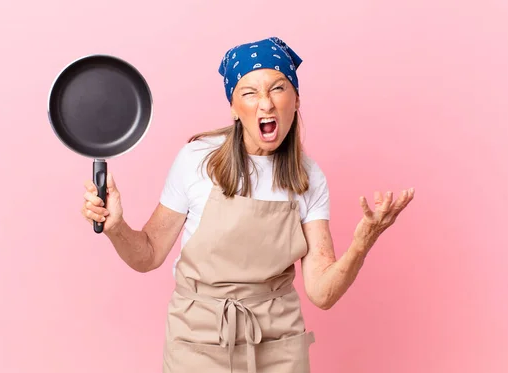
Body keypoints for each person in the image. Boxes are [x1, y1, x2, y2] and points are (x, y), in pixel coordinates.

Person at [80, 36, 414, 373]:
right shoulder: (197, 159)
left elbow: (322, 294)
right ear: (233, 107)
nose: (265, 104)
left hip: (279, 342)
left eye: (278, 88)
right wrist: (116, 227)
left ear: (296, 99)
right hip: (198, 339)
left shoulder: (310, 177)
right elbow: (148, 254)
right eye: (249, 93)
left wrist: (362, 242)